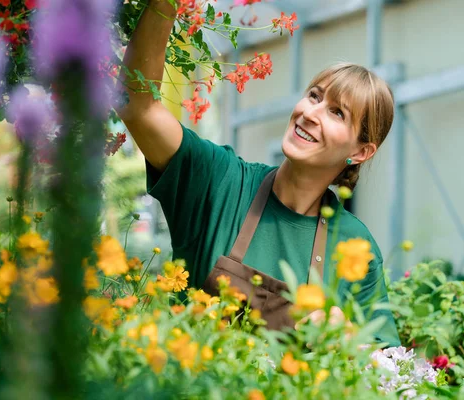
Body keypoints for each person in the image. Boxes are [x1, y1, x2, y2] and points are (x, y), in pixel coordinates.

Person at [116, 0, 400, 348]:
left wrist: (347, 336)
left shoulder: (356, 246)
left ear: (360, 152)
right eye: (314, 96)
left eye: (337, 113)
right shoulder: (219, 182)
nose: (310, 113)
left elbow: (391, 372)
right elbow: (136, 104)